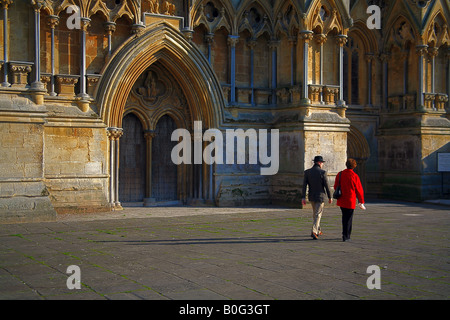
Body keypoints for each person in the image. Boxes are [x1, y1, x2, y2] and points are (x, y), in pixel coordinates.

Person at [334, 158, 366, 242]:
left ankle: (344, 234)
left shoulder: (340, 174)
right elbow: (359, 190)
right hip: (350, 200)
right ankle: (346, 236)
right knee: (349, 219)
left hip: (341, 200)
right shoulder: (354, 176)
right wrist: (361, 201)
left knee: (344, 217)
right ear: (354, 166)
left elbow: (335, 186)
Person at [302, 156, 332, 240]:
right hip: (320, 196)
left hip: (311, 196)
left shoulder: (307, 172)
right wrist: (330, 197)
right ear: (319, 163)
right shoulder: (322, 172)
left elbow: (304, 186)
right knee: (318, 214)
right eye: (322, 163)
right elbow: (327, 186)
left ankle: (318, 230)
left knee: (315, 213)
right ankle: (314, 231)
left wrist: (303, 197)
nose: (322, 164)